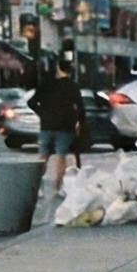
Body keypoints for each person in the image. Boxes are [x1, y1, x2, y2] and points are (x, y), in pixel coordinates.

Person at [29, 59, 83, 194]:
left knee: (43, 156)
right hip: (66, 126)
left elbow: (31, 102)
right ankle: (57, 188)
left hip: (47, 125)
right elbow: (80, 108)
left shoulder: (47, 85)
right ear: (70, 71)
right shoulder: (73, 86)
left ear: (58, 68)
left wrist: (42, 113)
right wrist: (78, 122)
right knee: (61, 156)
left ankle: (37, 188)